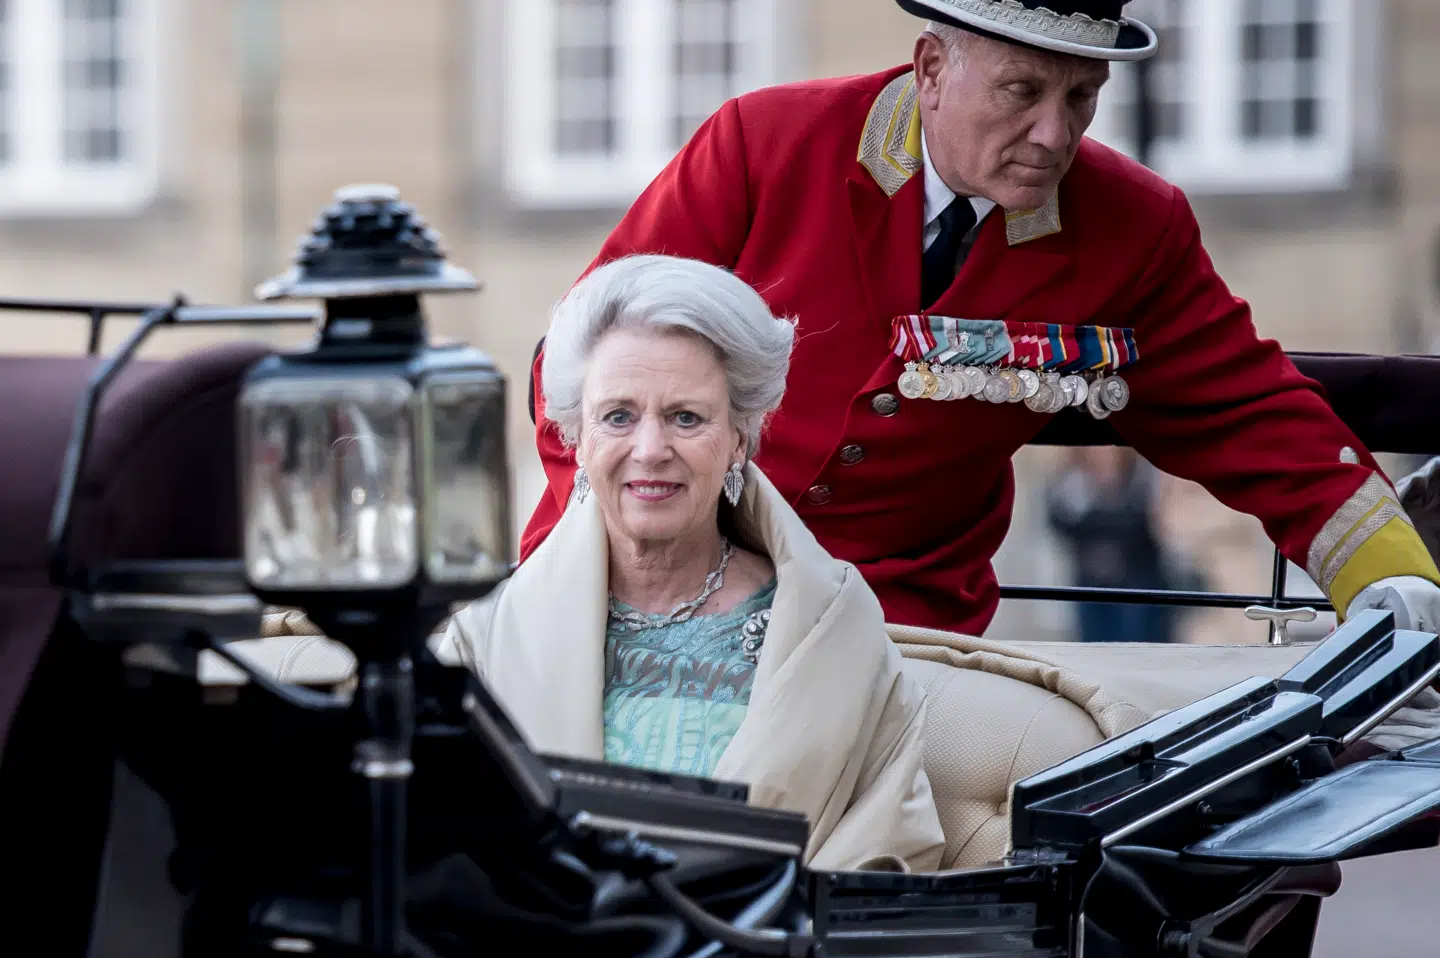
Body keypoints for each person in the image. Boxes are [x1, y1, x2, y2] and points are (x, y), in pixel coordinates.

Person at [520, 0, 1440, 642]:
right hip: (653, 589)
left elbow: (1251, 414)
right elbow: (583, 365)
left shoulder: (1133, 225)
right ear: (930, 70)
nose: (1055, 134)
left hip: (902, 633)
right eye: (1021, 91)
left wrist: (1394, 578)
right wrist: (629, 578)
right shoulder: (762, 147)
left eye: (1081, 97)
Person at [441, 254, 947, 873]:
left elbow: (883, 857)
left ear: (740, 437)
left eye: (686, 417)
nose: (650, 449)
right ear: (577, 437)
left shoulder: (835, 628)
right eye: (618, 416)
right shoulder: (485, 638)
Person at [1045, 448, 1178, 642]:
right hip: (1091, 586)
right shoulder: (1074, 483)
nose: (1102, 454)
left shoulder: (1142, 477)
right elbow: (1059, 520)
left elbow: (1154, 524)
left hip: (1138, 584)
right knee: (1094, 645)